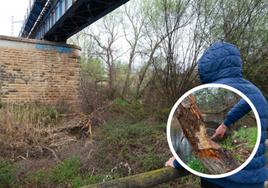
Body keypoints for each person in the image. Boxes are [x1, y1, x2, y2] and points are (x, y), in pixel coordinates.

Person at [165, 41, 268, 188]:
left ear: (205, 69)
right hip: (255, 181)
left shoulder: (217, 88)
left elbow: (199, 144)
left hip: (221, 182)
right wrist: (226, 124)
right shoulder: (256, 92)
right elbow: (244, 107)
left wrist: (177, 162)